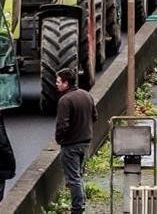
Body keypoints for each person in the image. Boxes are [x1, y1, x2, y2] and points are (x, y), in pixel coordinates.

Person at [55, 69, 96, 214]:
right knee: (78, 175)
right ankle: (81, 202)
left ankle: (77, 208)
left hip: (71, 145)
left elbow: (63, 125)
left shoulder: (65, 100)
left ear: (66, 83)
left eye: (58, 81)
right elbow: (94, 117)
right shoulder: (86, 95)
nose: (56, 84)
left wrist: (59, 139)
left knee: (73, 178)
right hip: (85, 142)